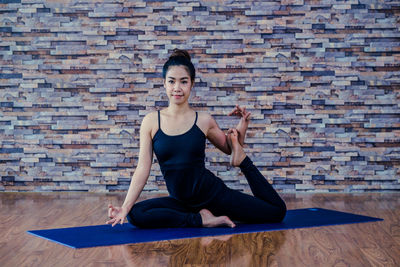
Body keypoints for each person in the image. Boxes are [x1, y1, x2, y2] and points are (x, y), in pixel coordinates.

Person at [106, 49, 286, 228]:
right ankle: (201, 219)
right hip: (181, 202)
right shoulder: (151, 122)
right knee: (135, 214)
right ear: (164, 84)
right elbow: (142, 169)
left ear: (192, 84)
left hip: (214, 197)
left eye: (183, 82)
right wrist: (125, 207)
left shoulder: (203, 120)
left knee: (277, 212)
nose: (177, 88)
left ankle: (244, 164)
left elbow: (231, 150)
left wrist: (242, 128)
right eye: (172, 81)